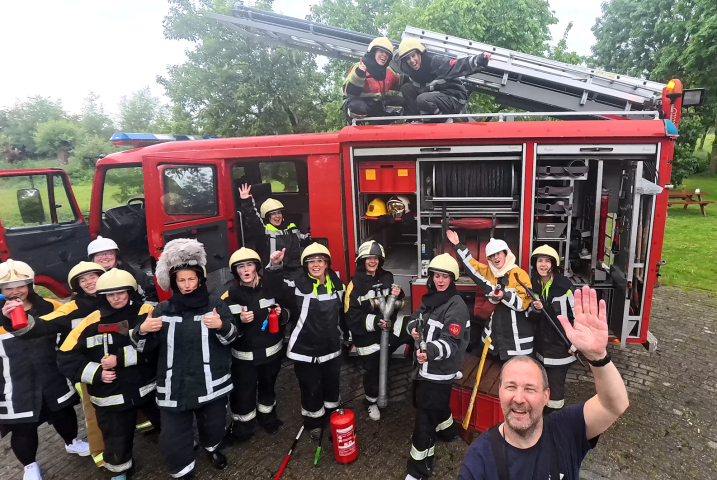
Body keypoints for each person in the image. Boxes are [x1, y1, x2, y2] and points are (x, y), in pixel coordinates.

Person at [457, 286, 630, 480]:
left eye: (530, 388)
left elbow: (613, 405)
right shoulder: (480, 458)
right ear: (500, 391)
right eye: (511, 387)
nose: (519, 398)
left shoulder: (566, 430)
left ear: (546, 396)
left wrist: (598, 356)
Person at [130, 238, 237, 479]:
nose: (187, 285)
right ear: (174, 283)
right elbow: (142, 347)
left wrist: (221, 326)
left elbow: (231, 338)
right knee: (173, 438)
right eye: (182, 280)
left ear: (199, 279)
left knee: (213, 424)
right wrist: (142, 331)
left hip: (211, 382)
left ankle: (212, 448)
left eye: (191, 279)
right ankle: (183, 470)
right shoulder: (162, 309)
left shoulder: (214, 304)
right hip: (174, 386)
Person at [2, 261, 109, 468]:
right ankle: (30, 466)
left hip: (52, 375)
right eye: (8, 288)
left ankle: (71, 442)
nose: (16, 291)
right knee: (24, 427)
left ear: (30, 286)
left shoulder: (51, 306)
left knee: (64, 414)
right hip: (13, 381)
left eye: (21, 285)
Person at [58, 268, 159, 480]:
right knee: (116, 437)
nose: (116, 298)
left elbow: (158, 346)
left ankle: (180, 449)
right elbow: (66, 356)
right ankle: (119, 470)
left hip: (147, 388)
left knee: (168, 423)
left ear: (130, 291)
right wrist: (96, 373)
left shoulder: (146, 312)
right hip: (110, 394)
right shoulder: (90, 321)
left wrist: (119, 359)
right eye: (111, 294)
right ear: (103, 295)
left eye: (121, 292)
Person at [265, 243, 345, 440]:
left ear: (327, 263)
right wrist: (275, 267)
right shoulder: (296, 283)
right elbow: (273, 289)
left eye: (319, 261)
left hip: (331, 347)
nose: (315, 265)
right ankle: (314, 422)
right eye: (311, 262)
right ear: (305, 265)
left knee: (332, 384)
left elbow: (342, 314)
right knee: (310, 386)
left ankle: (333, 415)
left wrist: (346, 336)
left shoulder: (338, 285)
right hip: (305, 347)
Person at [404, 253, 470, 480]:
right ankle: (449, 431)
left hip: (439, 371)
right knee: (433, 406)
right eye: (436, 276)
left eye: (445, 276)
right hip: (424, 368)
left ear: (453, 279)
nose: (440, 280)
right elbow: (414, 317)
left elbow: (450, 343)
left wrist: (429, 352)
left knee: (424, 418)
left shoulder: (456, 306)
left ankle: (419, 468)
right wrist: (412, 328)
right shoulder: (429, 298)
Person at [222, 247, 287, 442]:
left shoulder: (269, 289)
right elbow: (223, 328)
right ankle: (242, 428)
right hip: (244, 360)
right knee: (243, 394)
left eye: (249, 265)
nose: (246, 270)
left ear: (256, 268)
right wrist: (239, 320)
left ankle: (268, 419)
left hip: (271, 356)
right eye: (241, 267)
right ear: (236, 271)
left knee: (268, 389)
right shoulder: (229, 296)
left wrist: (282, 313)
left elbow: (288, 307)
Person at [344, 240, 411, 421]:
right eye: (368, 258)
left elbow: (395, 304)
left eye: (376, 258)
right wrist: (375, 322)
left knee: (413, 330)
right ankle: (371, 401)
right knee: (373, 370)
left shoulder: (387, 277)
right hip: (367, 337)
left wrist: (399, 294)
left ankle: (419, 376)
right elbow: (351, 317)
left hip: (387, 331)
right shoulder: (354, 285)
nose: (372, 261)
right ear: (362, 260)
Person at [447, 231, 534, 360]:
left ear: (506, 254)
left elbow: (523, 304)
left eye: (498, 253)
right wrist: (458, 245)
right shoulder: (488, 273)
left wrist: (504, 295)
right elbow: (472, 265)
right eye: (492, 256)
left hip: (516, 343)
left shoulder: (519, 274)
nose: (495, 258)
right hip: (494, 341)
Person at [529, 245, 577, 413]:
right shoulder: (532, 284)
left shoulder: (564, 286)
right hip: (541, 348)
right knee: (542, 386)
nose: (543, 265)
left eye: (547, 261)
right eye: (540, 261)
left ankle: (554, 423)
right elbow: (531, 317)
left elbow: (577, 316)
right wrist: (535, 309)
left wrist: (575, 344)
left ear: (553, 264)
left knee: (555, 393)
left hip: (560, 349)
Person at [396, 38, 491, 121]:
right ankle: (417, 119)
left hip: (453, 98)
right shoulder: (407, 68)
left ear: (420, 53)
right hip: (433, 97)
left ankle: (442, 120)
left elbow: (457, 65)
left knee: (422, 99)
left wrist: (478, 60)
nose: (412, 61)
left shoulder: (436, 62)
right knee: (406, 88)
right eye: (408, 58)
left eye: (413, 56)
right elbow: (393, 56)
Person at [237, 184, 311, 272]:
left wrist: (308, 237)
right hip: (275, 270)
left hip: (297, 268)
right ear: (268, 217)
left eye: (279, 212)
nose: (277, 216)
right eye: (273, 214)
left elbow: (301, 239)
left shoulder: (291, 226)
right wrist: (246, 201)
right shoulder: (264, 230)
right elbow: (253, 219)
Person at [342, 36, 405, 123]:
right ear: (373, 52)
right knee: (358, 107)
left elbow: (400, 83)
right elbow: (350, 92)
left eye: (387, 53)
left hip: (377, 105)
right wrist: (360, 74)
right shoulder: (359, 67)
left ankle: (383, 121)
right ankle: (358, 126)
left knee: (402, 101)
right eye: (381, 51)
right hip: (358, 102)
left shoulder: (387, 72)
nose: (384, 55)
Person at [87, 236, 158, 303]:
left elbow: (151, 296)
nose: (104, 257)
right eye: (98, 254)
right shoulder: (88, 280)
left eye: (109, 253)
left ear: (116, 256)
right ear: (93, 259)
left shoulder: (134, 274)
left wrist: (144, 314)